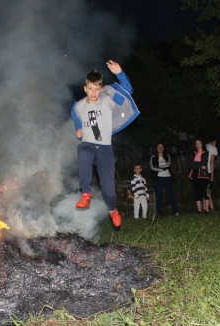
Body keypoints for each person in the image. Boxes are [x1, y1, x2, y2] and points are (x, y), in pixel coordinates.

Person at [71, 60, 140, 229]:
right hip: (88, 143)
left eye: (97, 89)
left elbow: (128, 91)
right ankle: (86, 193)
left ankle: (112, 210)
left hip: (105, 149)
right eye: (90, 88)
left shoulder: (107, 97)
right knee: (84, 151)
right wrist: (78, 129)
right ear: (85, 88)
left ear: (101, 89)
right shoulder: (78, 107)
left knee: (109, 192)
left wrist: (120, 73)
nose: (93, 92)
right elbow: (77, 121)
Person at [150, 143, 179, 217]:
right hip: (158, 178)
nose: (160, 148)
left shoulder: (167, 156)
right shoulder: (153, 157)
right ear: (156, 148)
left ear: (163, 148)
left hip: (167, 177)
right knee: (158, 196)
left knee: (170, 195)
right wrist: (162, 168)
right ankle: (159, 214)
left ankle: (176, 212)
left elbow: (168, 165)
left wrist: (159, 167)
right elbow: (153, 167)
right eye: (158, 146)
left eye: (161, 147)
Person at [188, 138, 210, 213]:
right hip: (195, 174)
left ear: (202, 144)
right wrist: (199, 165)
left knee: (205, 191)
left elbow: (204, 163)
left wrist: (195, 164)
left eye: (199, 143)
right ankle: (199, 209)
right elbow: (190, 165)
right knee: (197, 191)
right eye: (196, 143)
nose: (198, 145)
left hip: (203, 174)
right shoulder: (192, 153)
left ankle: (207, 209)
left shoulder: (205, 153)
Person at [205, 136, 218, 212]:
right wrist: (212, 174)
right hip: (208, 171)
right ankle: (209, 208)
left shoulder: (204, 146)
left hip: (202, 171)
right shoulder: (213, 148)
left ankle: (210, 206)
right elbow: (211, 161)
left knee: (206, 189)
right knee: (207, 190)